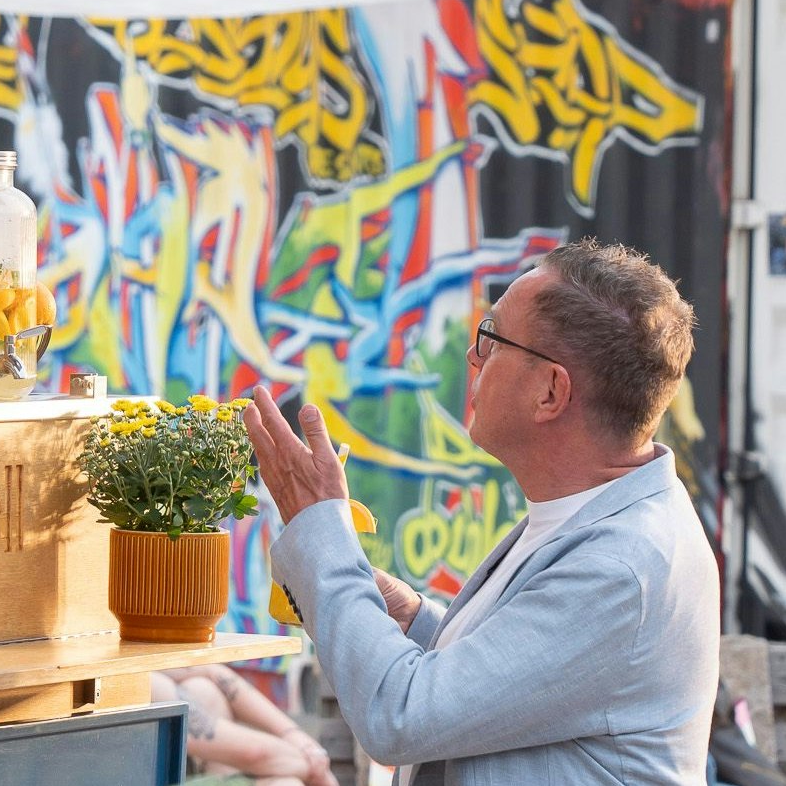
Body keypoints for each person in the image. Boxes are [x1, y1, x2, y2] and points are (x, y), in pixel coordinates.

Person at [244, 238, 719, 786]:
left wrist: (320, 527)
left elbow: (398, 717)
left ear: (550, 392)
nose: (474, 357)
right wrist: (419, 624)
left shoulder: (623, 565)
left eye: (492, 338)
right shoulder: (597, 517)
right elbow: (537, 689)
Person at [150, 664, 338, 786]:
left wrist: (291, 732)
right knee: (287, 783)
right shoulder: (140, 680)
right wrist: (316, 767)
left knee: (202, 688)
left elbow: (214, 671)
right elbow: (255, 754)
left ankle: (225, 775)